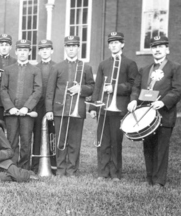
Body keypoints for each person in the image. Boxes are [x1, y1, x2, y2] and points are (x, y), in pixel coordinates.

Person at [127, 35, 181, 187]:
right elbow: (136, 87)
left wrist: (163, 102)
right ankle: (150, 178)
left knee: (161, 149)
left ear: (167, 49)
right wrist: (133, 100)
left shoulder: (175, 67)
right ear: (151, 50)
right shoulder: (144, 69)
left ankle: (159, 181)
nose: (157, 50)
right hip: (146, 116)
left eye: (161, 46)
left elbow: (178, 90)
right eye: (154, 47)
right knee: (148, 147)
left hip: (164, 115)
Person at [89, 32, 138, 181]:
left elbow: (133, 85)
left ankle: (115, 173)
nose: (113, 45)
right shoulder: (104, 64)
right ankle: (102, 172)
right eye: (111, 43)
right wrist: (93, 107)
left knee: (116, 141)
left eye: (116, 42)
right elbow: (98, 87)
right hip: (104, 108)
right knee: (103, 141)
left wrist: (115, 87)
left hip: (119, 109)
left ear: (122, 44)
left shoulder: (130, 63)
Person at [45, 36, 95, 177]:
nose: (71, 49)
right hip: (60, 110)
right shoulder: (57, 67)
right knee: (61, 141)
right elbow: (50, 91)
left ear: (78, 48)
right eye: (68, 46)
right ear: (65, 48)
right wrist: (49, 110)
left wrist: (81, 89)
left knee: (75, 142)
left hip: (77, 110)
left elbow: (92, 87)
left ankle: (72, 170)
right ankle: (61, 169)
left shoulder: (86, 67)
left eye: (74, 46)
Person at [0, 39, 42, 169]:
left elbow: (38, 90)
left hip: (27, 113)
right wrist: (10, 108)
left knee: (26, 140)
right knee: (11, 140)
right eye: (20, 50)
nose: (22, 53)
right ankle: (11, 167)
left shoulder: (35, 70)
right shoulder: (8, 70)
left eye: (25, 50)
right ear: (16, 51)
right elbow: (3, 89)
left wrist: (26, 107)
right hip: (11, 113)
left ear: (29, 52)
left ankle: (24, 168)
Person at [32, 39, 57, 172]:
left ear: (52, 51)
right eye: (42, 49)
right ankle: (36, 164)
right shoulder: (35, 67)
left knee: (52, 134)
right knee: (37, 134)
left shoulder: (56, 66)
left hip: (52, 105)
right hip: (38, 105)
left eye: (47, 49)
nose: (45, 51)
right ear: (39, 52)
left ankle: (53, 164)